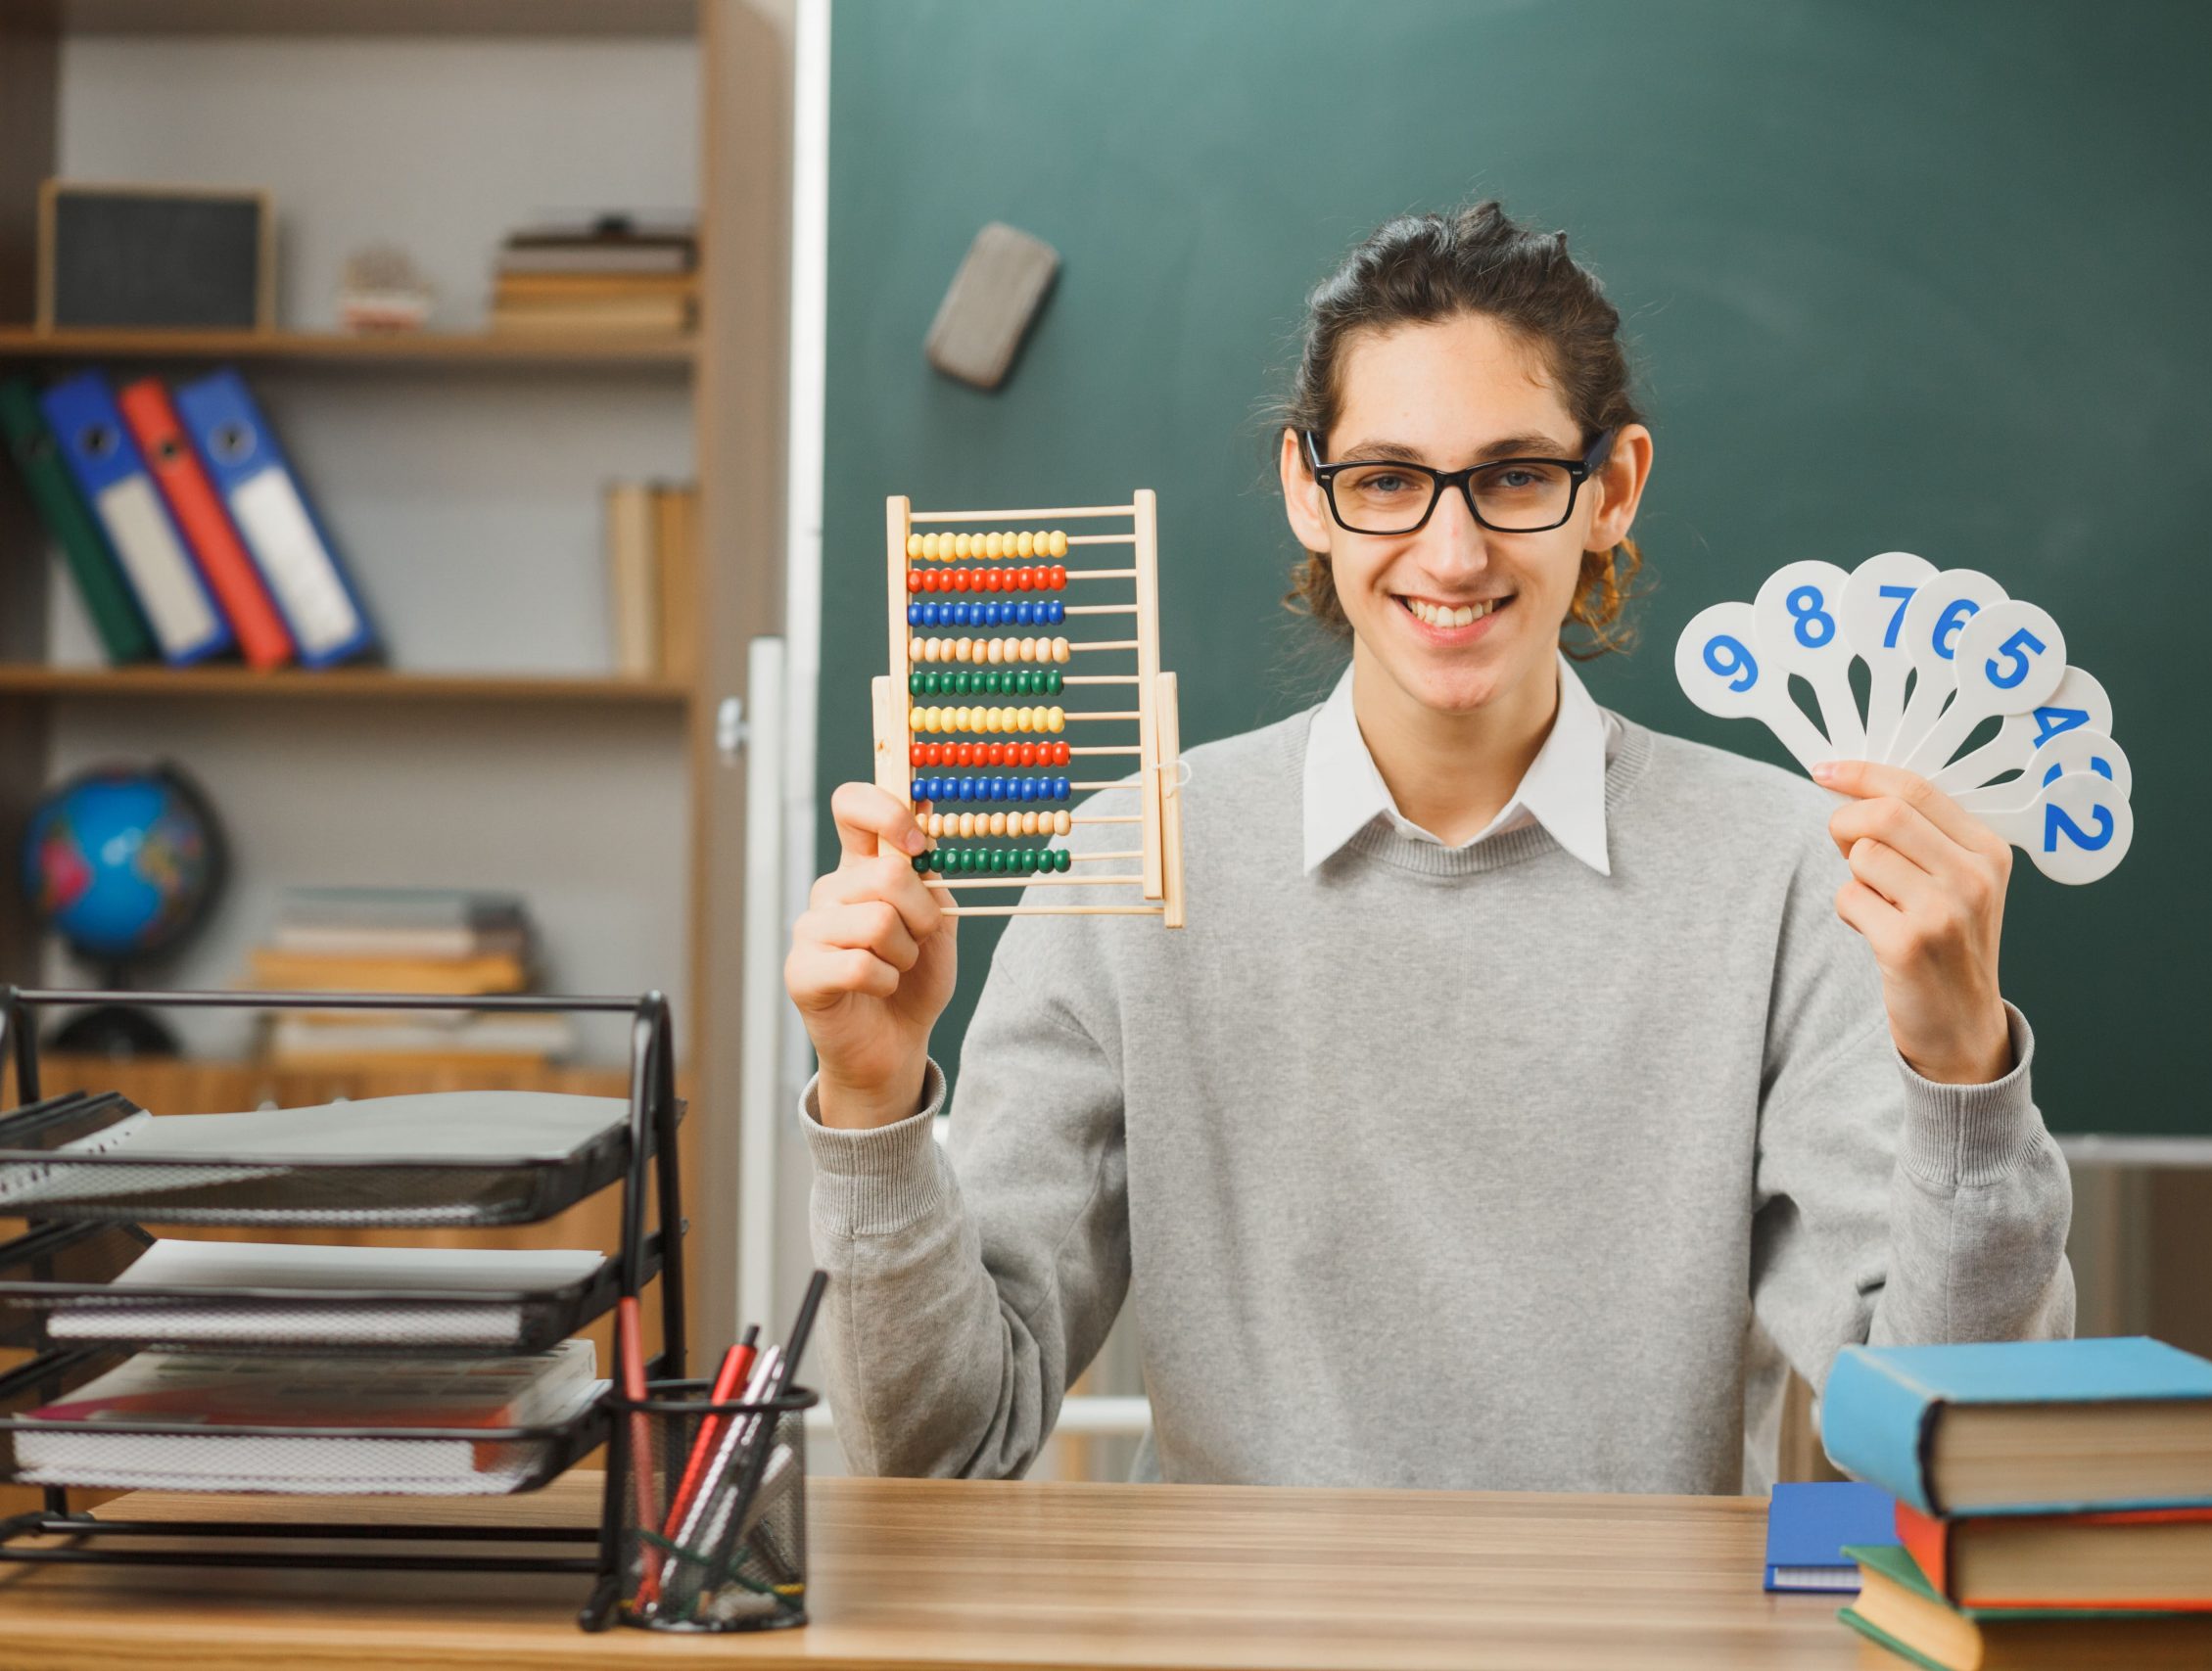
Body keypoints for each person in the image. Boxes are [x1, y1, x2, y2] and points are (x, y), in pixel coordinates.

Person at [786, 202, 2072, 1494]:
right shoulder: (1130, 867)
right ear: (1309, 491)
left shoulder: (1790, 873)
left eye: (1515, 476)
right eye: (1389, 479)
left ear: (1611, 490)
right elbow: (944, 1446)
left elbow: (1951, 1450)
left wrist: (1965, 1072)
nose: (1450, 554)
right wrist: (873, 1104)